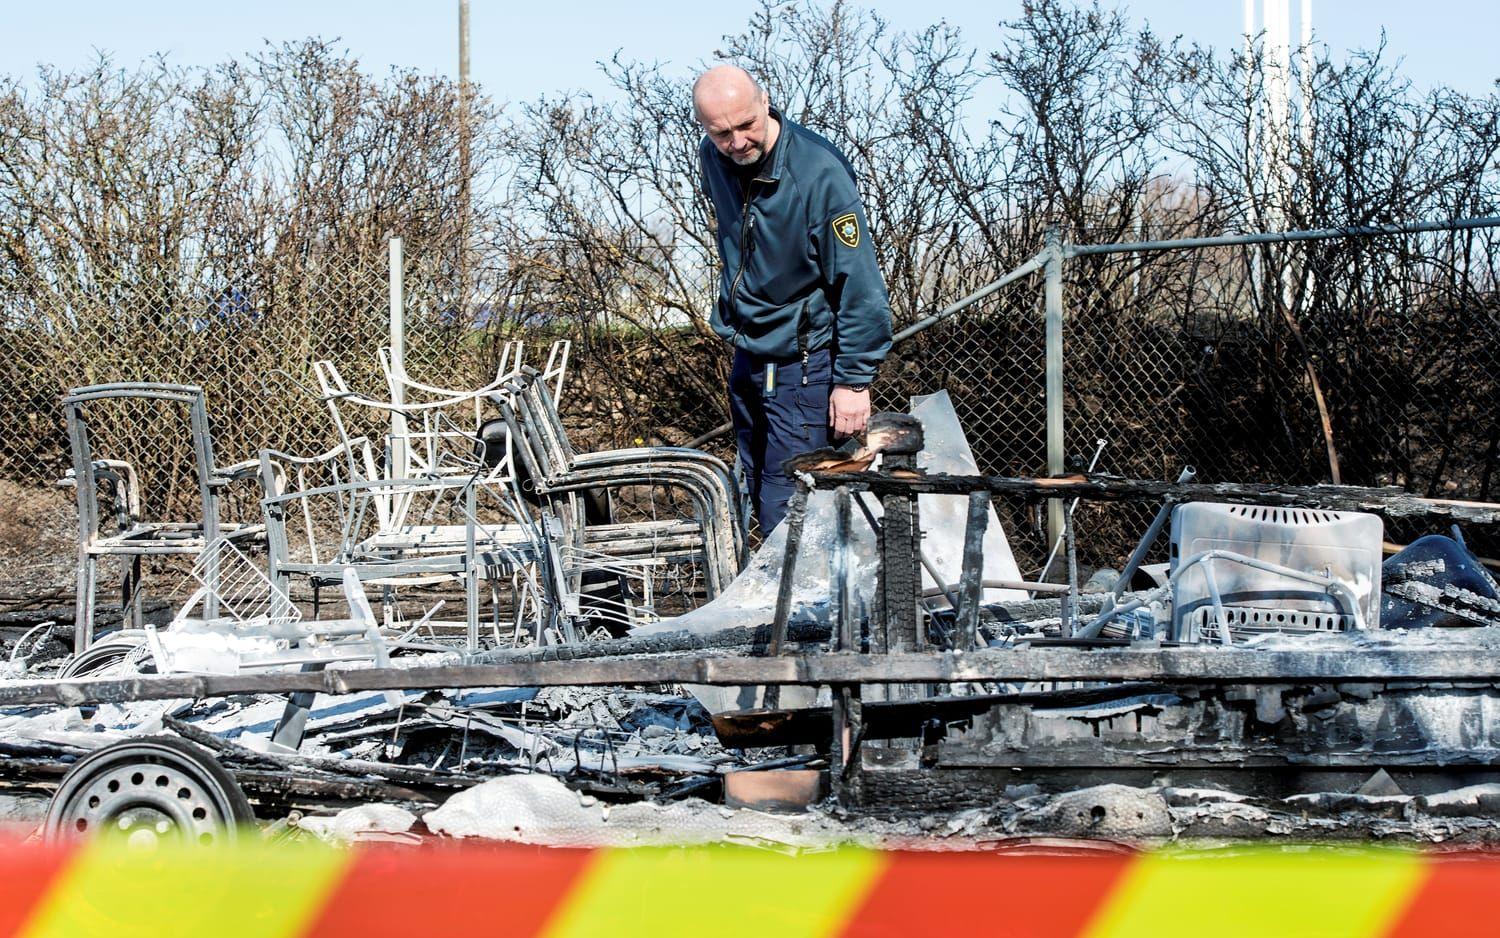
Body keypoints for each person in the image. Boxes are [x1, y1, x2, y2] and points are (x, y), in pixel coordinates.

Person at [692, 64, 893, 532]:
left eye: (746, 125)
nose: (737, 143)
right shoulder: (713, 157)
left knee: (794, 494)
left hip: (804, 358)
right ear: (705, 128)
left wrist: (854, 381)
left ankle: (800, 602)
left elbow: (860, 283)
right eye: (722, 133)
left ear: (766, 103)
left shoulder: (818, 173)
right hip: (751, 345)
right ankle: (762, 593)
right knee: (754, 479)